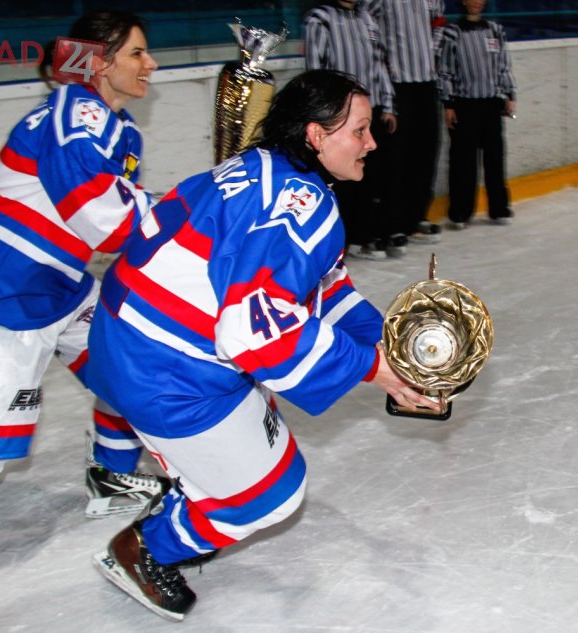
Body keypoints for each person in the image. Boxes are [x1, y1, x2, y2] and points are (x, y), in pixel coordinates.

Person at [85, 69, 442, 622]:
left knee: (265, 463)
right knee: (271, 496)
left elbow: (324, 289)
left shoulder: (262, 168)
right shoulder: (304, 203)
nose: (371, 142)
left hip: (134, 340)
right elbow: (253, 331)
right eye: (359, 130)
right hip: (165, 370)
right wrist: (375, 369)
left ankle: (193, 490)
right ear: (316, 135)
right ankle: (144, 550)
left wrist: (387, 347)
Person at [0, 10, 169, 603]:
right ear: (98, 61)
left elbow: (119, 213)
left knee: (131, 364)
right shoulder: (74, 115)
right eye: (136, 53)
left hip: (60, 286)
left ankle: (111, 474)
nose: (150, 63)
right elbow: (107, 222)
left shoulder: (118, 127)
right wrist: (193, 211)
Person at [303, 0, 406, 260]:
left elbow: (379, 65)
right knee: (346, 178)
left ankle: (374, 232)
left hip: (373, 108)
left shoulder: (367, 19)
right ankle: (351, 238)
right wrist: (328, 112)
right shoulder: (320, 18)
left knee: (377, 175)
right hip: (342, 114)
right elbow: (316, 71)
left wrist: (389, 105)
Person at [359, 0, 446, 245]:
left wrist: (433, 53)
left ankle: (416, 217)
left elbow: (439, 22)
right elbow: (364, 21)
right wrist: (383, 59)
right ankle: (394, 223)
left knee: (426, 151)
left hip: (426, 82)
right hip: (397, 84)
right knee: (397, 158)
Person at [438, 0, 516, 227]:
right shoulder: (453, 33)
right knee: (463, 162)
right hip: (465, 105)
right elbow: (445, 71)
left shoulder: (495, 30)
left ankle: (499, 209)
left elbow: (503, 65)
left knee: (495, 159)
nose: (476, 2)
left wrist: (509, 93)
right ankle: (460, 213)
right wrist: (448, 103)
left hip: (491, 104)